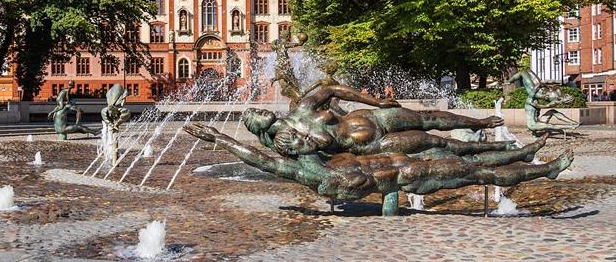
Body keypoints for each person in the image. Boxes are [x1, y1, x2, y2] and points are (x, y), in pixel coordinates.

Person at [185, 123, 573, 216]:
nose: (308, 136)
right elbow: (257, 158)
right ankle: (545, 170)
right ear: (296, 146)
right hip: (404, 178)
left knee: (471, 162)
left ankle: (521, 156)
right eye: (300, 137)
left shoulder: (326, 159)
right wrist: (218, 138)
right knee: (475, 173)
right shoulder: (309, 174)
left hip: (400, 168)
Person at [243, 84, 509, 158]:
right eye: (253, 116)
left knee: (428, 118)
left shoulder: (301, 109)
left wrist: (375, 102)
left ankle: (480, 123)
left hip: (371, 117)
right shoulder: (284, 143)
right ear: (257, 128)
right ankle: (492, 149)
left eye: (255, 108)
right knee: (432, 141)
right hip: (371, 145)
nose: (258, 111)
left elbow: (333, 89)